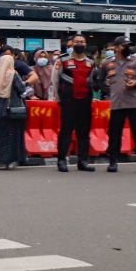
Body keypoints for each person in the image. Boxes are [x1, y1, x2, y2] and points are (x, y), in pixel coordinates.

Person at [96, 36, 136, 174]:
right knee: (114, 134)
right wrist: (109, 90)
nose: (127, 48)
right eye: (124, 45)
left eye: (128, 45)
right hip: (116, 104)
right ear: (117, 47)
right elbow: (99, 80)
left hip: (135, 103)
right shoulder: (107, 63)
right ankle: (113, 162)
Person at [54, 34, 96, 172]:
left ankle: (83, 161)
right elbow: (55, 80)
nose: (80, 44)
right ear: (72, 44)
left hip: (85, 101)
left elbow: (92, 81)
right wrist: (57, 98)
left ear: (85, 44)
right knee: (66, 131)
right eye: (77, 42)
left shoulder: (90, 62)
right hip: (68, 101)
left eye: (82, 42)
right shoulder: (63, 60)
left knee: (83, 132)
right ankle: (61, 160)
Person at [0, 55, 28, 170]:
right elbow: (21, 89)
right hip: (13, 109)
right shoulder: (13, 74)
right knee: (13, 135)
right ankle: (11, 159)